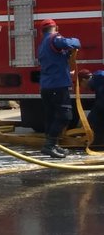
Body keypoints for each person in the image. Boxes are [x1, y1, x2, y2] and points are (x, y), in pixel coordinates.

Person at [37, 18, 81, 158]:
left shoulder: (42, 44)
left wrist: (67, 72)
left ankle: (53, 145)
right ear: (56, 27)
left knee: (50, 116)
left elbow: (53, 65)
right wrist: (75, 40)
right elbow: (73, 43)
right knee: (64, 115)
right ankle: (49, 145)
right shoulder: (54, 39)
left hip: (47, 86)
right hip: (58, 86)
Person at [79, 69, 104, 146]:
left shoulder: (98, 79)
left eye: (80, 84)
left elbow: (100, 104)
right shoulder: (98, 79)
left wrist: (88, 121)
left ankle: (97, 141)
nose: (82, 88)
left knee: (94, 119)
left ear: (83, 80)